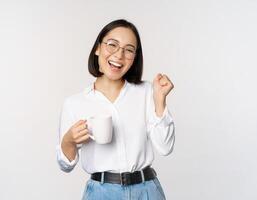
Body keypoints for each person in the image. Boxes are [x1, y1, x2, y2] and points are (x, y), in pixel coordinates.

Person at [56, 19, 175, 200]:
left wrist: (160, 100)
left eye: (128, 50)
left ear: (134, 58)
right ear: (98, 48)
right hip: (101, 194)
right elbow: (66, 166)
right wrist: (69, 141)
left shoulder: (147, 92)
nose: (119, 55)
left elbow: (165, 147)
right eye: (112, 45)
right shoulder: (74, 103)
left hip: (147, 191)